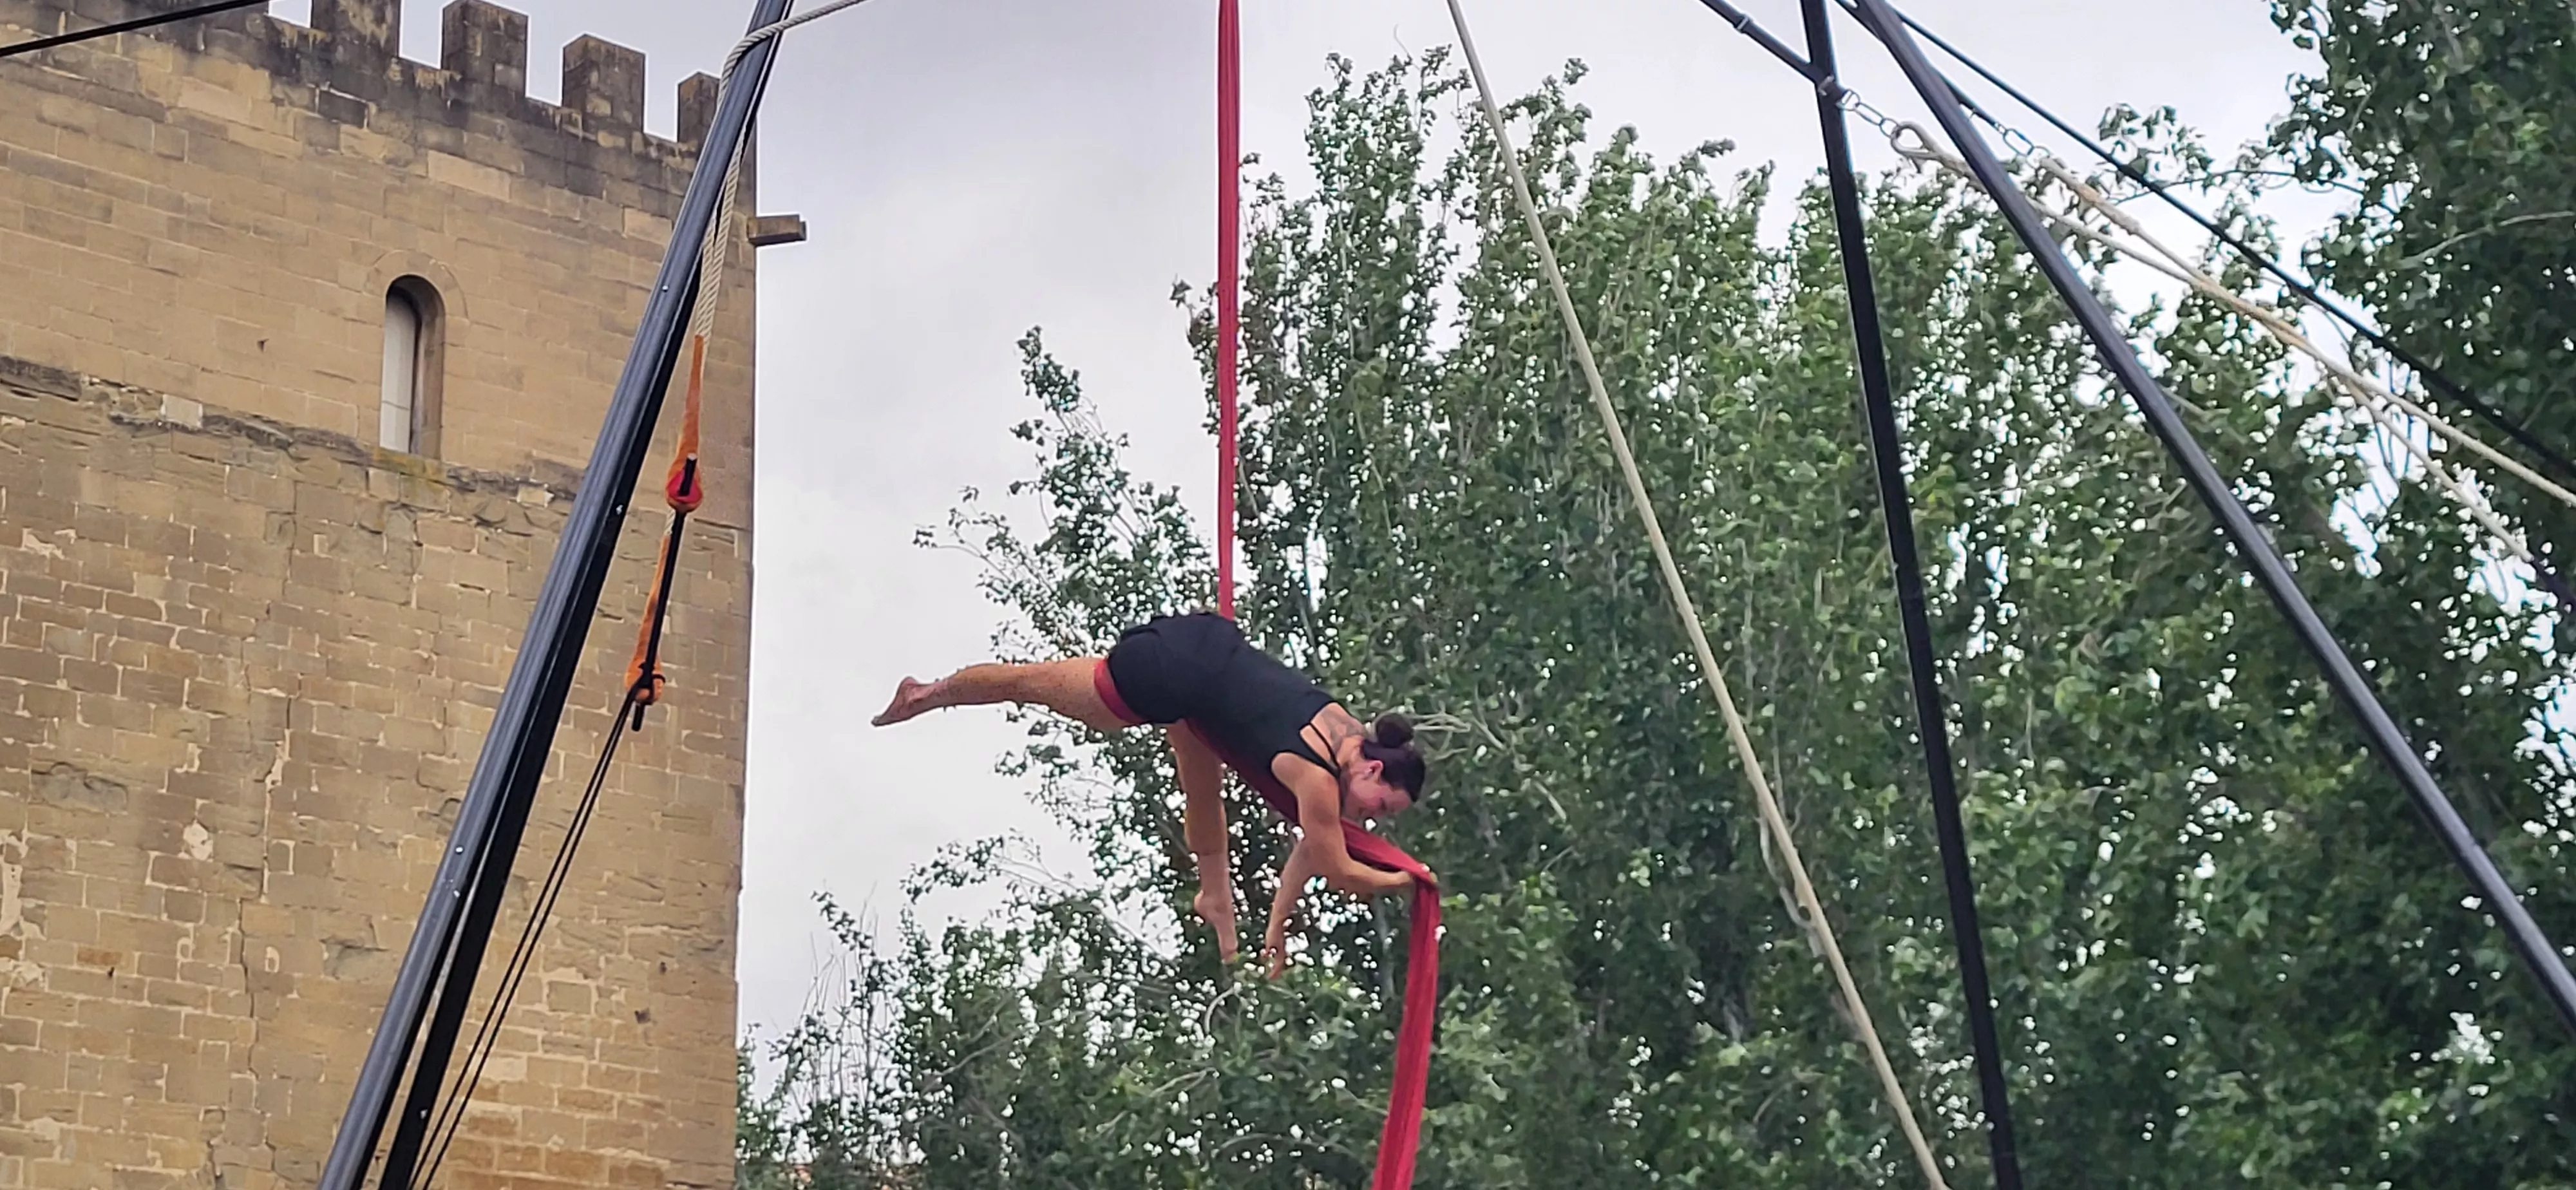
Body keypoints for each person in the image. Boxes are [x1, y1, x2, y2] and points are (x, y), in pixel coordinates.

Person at [871, 610, 1430, 974]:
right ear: (1374, 775)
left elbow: (1313, 849)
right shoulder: (1314, 780)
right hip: (1161, 675)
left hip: (1205, 649)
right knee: (1029, 684)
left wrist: (1276, 931)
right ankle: (928, 694)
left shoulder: (1350, 731)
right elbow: (1338, 868)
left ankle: (1218, 902)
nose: (1370, 819)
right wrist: (1411, 881)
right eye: (1378, 808)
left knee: (1201, 781)